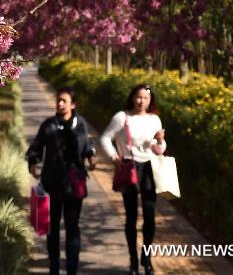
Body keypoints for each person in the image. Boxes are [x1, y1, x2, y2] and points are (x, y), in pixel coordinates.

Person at [26, 86, 97, 275]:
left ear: (73, 104)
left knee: (73, 227)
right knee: (53, 227)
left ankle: (72, 268)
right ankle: (54, 266)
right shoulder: (49, 125)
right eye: (58, 100)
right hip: (52, 182)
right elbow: (37, 145)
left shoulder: (80, 124)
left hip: (74, 184)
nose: (60, 104)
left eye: (64, 101)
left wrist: (91, 157)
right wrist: (33, 161)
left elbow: (87, 144)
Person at [101, 84, 166, 275]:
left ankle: (146, 260)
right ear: (132, 98)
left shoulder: (155, 119)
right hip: (129, 167)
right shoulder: (122, 117)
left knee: (150, 216)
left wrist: (160, 140)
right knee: (131, 217)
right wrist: (114, 156)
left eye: (145, 98)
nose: (141, 101)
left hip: (149, 168)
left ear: (150, 100)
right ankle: (133, 261)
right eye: (138, 97)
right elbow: (105, 138)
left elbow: (158, 150)